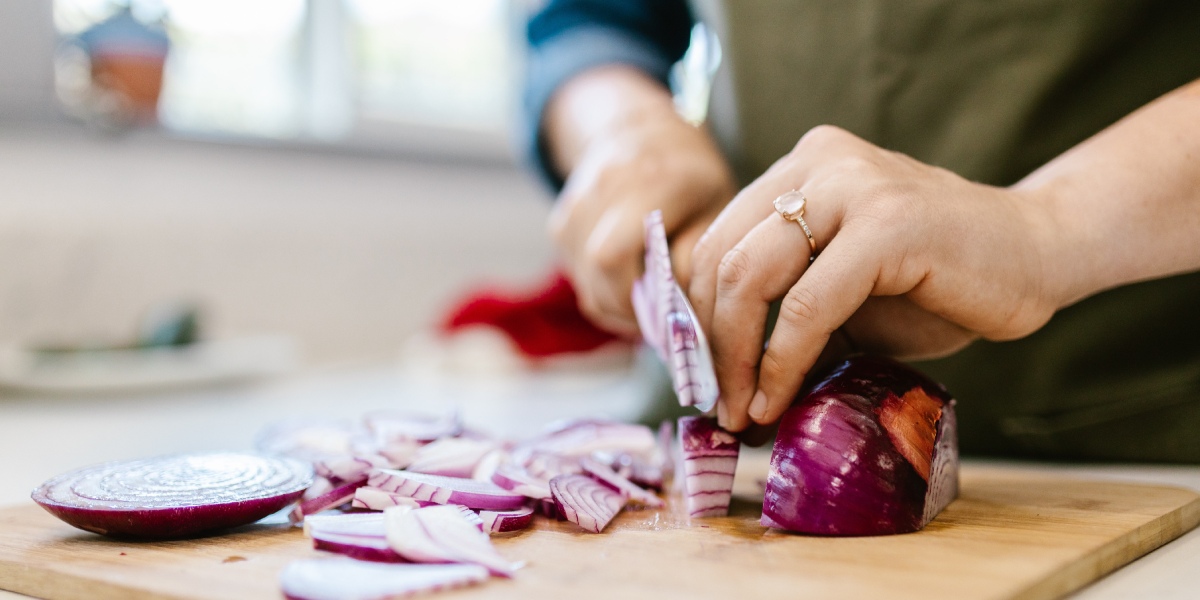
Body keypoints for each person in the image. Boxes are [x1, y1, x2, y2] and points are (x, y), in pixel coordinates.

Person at [522, 0, 1200, 461]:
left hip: (1121, 429)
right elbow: (586, 17)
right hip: (727, 432)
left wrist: (1048, 226)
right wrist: (623, 126)